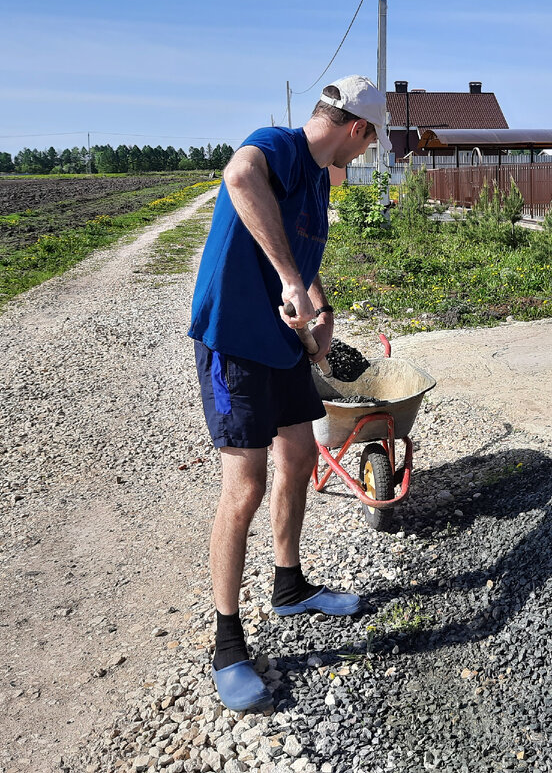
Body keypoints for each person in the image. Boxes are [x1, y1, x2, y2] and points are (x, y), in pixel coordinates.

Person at [188, 75, 391, 712]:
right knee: (245, 483)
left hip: (281, 348)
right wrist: (287, 282)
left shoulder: (319, 182)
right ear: (356, 128)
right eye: (370, 141)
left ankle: (290, 585)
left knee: (301, 456)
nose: (364, 155)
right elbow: (239, 179)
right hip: (235, 342)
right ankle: (226, 642)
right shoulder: (276, 147)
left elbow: (307, 263)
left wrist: (320, 310)